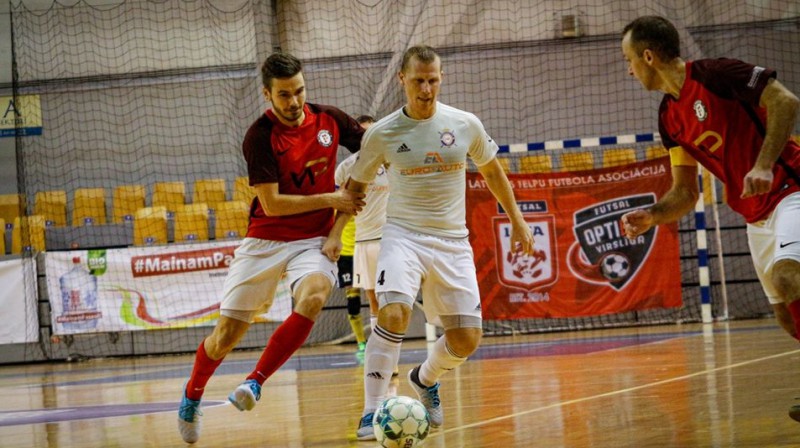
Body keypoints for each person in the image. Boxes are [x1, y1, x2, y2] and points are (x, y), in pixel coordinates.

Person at [322, 45, 535, 440]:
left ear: (441, 78)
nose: (426, 89)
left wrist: (518, 222)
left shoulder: (465, 123)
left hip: (453, 242)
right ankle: (372, 411)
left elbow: (492, 172)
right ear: (402, 80)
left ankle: (425, 377)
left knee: (467, 338)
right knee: (393, 313)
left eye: (432, 80)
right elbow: (355, 187)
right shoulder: (383, 133)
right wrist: (336, 233)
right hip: (402, 236)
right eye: (418, 80)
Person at [177, 52, 366, 444]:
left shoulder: (329, 119)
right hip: (265, 239)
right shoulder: (259, 136)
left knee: (314, 296)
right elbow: (273, 204)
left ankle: (256, 382)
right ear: (268, 94)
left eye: (298, 91)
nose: (294, 102)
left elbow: (370, 154)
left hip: (313, 241)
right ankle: (192, 396)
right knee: (225, 335)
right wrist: (333, 199)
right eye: (284, 95)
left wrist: (337, 228)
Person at [619, 16, 800, 419]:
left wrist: (765, 164)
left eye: (629, 59)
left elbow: (786, 101)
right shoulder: (669, 118)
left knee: (790, 276)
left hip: (791, 188)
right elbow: (685, 192)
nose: (628, 69)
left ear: (648, 56)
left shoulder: (717, 73)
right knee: (787, 316)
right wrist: (652, 214)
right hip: (754, 214)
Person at [335, 114, 392, 362]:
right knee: (372, 298)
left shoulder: (392, 161)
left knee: (394, 297)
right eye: (363, 133)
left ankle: (390, 346)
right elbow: (338, 204)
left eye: (372, 132)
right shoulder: (346, 168)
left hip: (393, 238)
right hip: (364, 240)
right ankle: (380, 354)